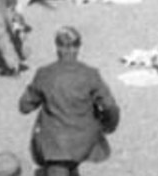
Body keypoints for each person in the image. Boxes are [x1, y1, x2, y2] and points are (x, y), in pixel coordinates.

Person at [18, 27, 120, 176]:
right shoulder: (90, 74)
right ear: (78, 47)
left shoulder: (44, 73)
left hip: (53, 144)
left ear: (57, 47)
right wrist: (108, 126)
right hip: (83, 141)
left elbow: (24, 106)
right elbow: (110, 106)